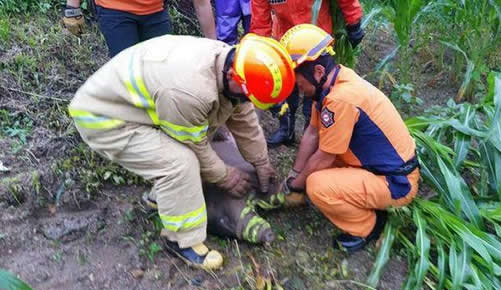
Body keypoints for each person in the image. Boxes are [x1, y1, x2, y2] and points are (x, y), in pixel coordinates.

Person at [68, 34, 296, 269]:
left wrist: (261, 161)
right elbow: (194, 145)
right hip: (104, 117)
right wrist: (225, 176)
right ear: (232, 75)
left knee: (190, 142)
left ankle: (161, 198)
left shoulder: (234, 63)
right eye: (248, 95)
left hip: (143, 101)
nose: (248, 100)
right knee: (179, 162)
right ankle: (181, 239)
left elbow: (242, 114)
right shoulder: (191, 91)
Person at [278, 25, 420, 253]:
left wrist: (298, 185)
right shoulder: (331, 84)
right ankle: (364, 199)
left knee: (317, 185)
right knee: (312, 171)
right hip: (380, 168)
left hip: (397, 183)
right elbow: (312, 134)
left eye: (298, 82)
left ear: (317, 73)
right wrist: (294, 175)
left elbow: (324, 156)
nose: (298, 88)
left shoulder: (340, 100)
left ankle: (368, 226)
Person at [250, 0, 364, 147]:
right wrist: (261, 49)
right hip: (287, 40)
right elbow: (260, 20)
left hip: (317, 40)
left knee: (315, 88)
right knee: (288, 87)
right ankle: (286, 130)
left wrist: (353, 22)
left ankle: (311, 132)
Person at [62, 0, 216, 57]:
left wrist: (213, 47)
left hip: (155, 11)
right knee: (125, 72)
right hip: (114, 9)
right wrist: (72, 8)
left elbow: (202, 4)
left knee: (160, 70)